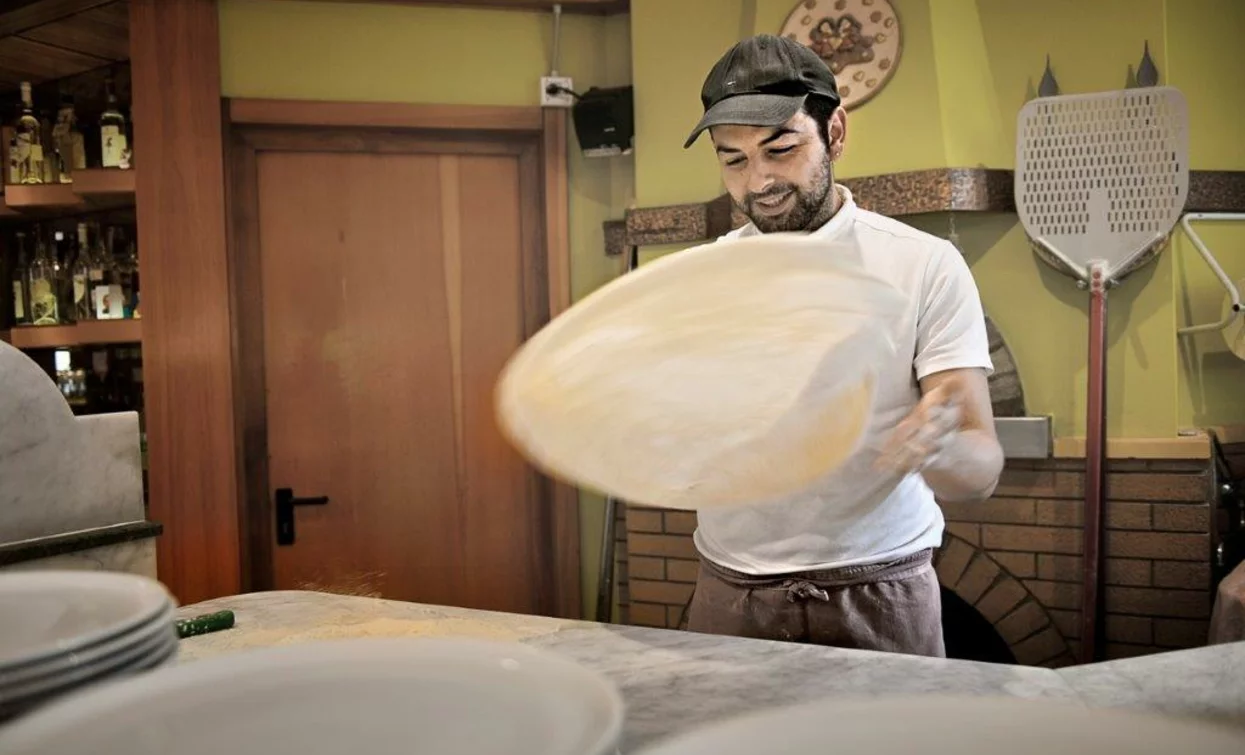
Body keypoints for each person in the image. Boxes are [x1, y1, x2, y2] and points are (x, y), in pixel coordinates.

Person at [680, 34, 1005, 658]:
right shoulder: (701, 280)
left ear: (834, 133)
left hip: (881, 590)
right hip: (730, 593)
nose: (760, 181)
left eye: (781, 149)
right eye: (734, 161)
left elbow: (981, 468)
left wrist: (933, 446)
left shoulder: (923, 265)